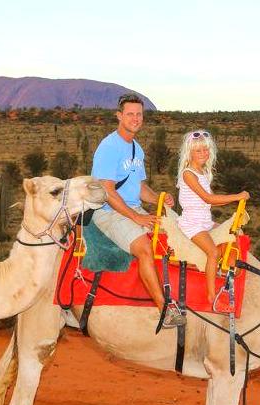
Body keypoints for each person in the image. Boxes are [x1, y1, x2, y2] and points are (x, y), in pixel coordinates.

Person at [91, 94, 185, 329]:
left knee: (178, 230)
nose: (135, 118)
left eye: (139, 114)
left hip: (132, 206)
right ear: (119, 116)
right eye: (130, 114)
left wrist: (160, 200)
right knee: (144, 248)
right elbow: (108, 192)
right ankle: (165, 310)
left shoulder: (136, 148)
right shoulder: (109, 147)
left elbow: (140, 188)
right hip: (108, 211)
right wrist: (137, 217)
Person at [175, 130, 249, 307]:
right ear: (190, 153)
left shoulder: (202, 172)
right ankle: (210, 294)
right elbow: (208, 199)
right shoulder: (188, 174)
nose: (203, 154)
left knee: (233, 234)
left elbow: (213, 201)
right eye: (198, 151)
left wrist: (234, 200)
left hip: (204, 220)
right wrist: (237, 196)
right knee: (213, 252)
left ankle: (228, 275)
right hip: (192, 223)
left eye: (206, 150)